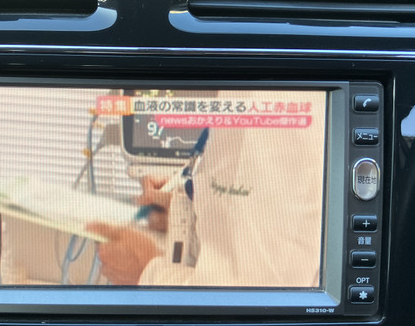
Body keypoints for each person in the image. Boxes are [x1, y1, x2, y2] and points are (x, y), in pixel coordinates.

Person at [87, 91, 326, 288]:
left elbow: (256, 299)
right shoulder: (237, 97)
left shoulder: (272, 109)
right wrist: (187, 213)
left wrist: (145, 272)